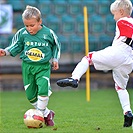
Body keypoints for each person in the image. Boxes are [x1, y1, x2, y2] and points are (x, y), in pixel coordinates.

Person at [57, 0, 133, 127]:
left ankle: (74, 78)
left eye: (114, 14)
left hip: (119, 52)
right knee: (120, 87)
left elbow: (128, 32)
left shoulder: (123, 21)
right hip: (129, 60)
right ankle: (127, 113)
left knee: (88, 58)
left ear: (121, 12)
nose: (114, 17)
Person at [0, 5, 61, 126]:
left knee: (43, 89)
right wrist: (6, 51)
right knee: (31, 96)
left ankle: (39, 115)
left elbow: (56, 45)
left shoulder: (48, 33)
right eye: (26, 26)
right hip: (27, 67)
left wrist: (55, 59)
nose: (29, 29)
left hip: (43, 67)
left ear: (40, 22)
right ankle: (47, 114)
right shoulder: (22, 33)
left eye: (32, 25)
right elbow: (16, 46)